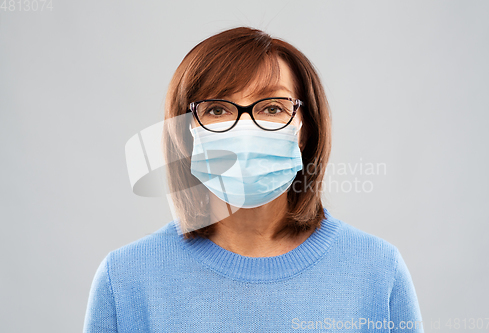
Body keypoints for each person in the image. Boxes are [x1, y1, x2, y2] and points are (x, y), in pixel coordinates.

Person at [83, 27, 424, 332]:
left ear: (305, 130)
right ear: (186, 134)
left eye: (272, 108)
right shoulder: (126, 279)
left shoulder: (377, 271)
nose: (245, 129)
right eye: (217, 110)